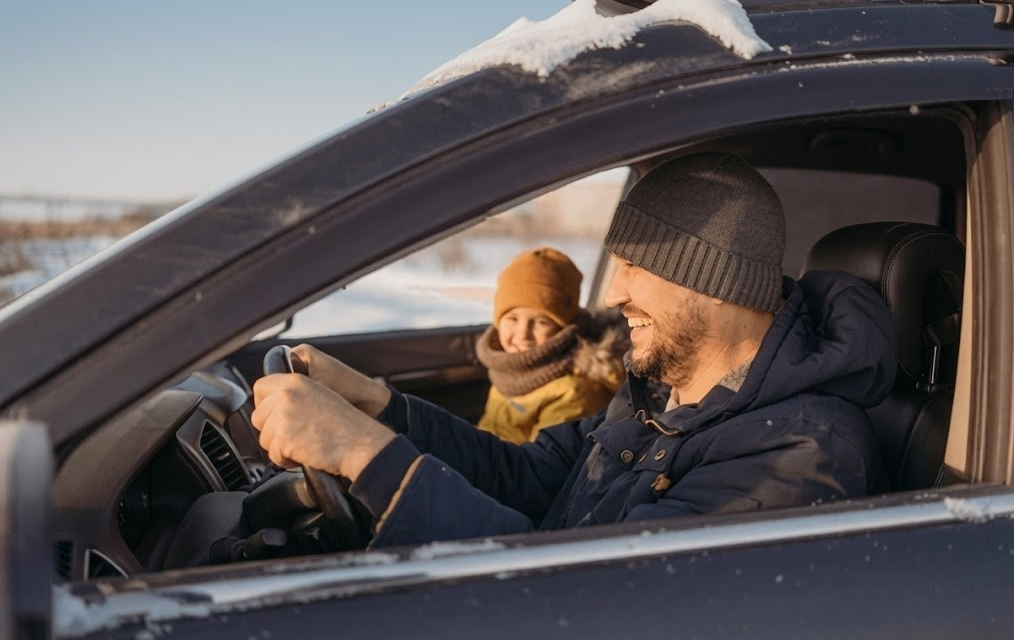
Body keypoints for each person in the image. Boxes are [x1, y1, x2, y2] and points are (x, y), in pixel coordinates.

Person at [252, 152, 896, 549]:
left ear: (717, 282)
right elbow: (528, 477)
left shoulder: (801, 453)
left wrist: (366, 456)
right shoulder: (663, 397)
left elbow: (586, 602)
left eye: (635, 268)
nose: (613, 295)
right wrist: (380, 406)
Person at [475, 246, 627, 443]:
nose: (523, 334)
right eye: (512, 319)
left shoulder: (573, 391)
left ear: (563, 329)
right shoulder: (507, 368)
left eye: (540, 322)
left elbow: (538, 465)